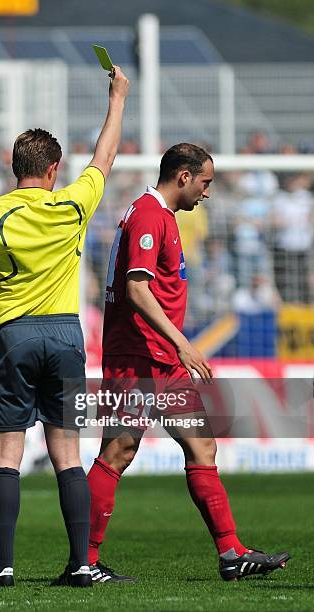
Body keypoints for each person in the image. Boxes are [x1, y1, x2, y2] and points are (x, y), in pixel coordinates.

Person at [0, 66, 129, 589]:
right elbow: (106, 157)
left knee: (7, 455)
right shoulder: (72, 204)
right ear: (53, 168)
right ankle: (81, 564)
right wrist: (116, 98)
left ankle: (3, 566)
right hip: (67, 337)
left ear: (14, 168)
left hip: (14, 336)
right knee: (68, 454)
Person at [87, 143, 290, 583]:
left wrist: (175, 348)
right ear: (183, 176)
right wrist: (182, 343)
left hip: (163, 359)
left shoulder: (163, 218)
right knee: (118, 452)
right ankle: (85, 561)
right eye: (205, 182)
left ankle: (231, 552)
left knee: (203, 447)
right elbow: (137, 289)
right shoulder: (147, 214)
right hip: (138, 357)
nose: (207, 192)